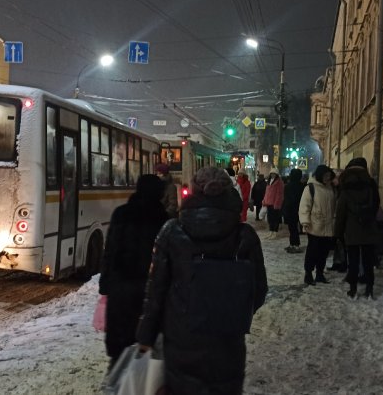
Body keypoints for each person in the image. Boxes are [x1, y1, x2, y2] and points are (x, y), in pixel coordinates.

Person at [136, 167, 268, 394]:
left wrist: (146, 335)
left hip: (181, 338)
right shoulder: (245, 236)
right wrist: (230, 311)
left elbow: (156, 290)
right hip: (227, 342)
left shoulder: (172, 232)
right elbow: (259, 290)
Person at [98, 174, 169, 369]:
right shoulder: (164, 219)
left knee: (120, 348)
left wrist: (105, 285)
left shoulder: (121, 214)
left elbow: (110, 252)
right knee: (146, 349)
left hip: (121, 289)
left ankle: (119, 382)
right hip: (150, 293)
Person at [335, 157, 380, 299]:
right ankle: (369, 288)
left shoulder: (345, 187)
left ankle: (353, 289)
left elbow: (341, 212)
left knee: (353, 261)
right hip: (369, 228)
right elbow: (376, 205)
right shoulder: (371, 185)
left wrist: (338, 233)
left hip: (351, 230)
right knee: (368, 260)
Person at [299, 165, 337, 285]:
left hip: (328, 226)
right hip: (315, 226)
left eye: (329, 176)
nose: (327, 178)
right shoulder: (310, 188)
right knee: (313, 251)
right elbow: (304, 206)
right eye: (325, 176)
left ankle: (320, 273)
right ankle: (308, 273)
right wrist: (305, 221)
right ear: (320, 175)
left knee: (324, 252)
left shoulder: (331, 188)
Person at [282, 168, 305, 252]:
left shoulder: (288, 186)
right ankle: (293, 244)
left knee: (292, 228)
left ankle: (295, 244)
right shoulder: (302, 186)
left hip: (291, 209)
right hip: (299, 208)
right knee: (294, 228)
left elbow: (286, 199)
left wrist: (284, 209)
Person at [261, 168, 284, 239]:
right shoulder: (269, 181)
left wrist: (276, 204)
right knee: (270, 219)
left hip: (275, 204)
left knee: (275, 219)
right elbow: (266, 193)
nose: (272, 175)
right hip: (269, 203)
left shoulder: (279, 182)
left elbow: (279, 194)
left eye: (274, 174)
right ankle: (271, 232)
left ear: (276, 174)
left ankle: (275, 233)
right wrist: (264, 201)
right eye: (271, 174)